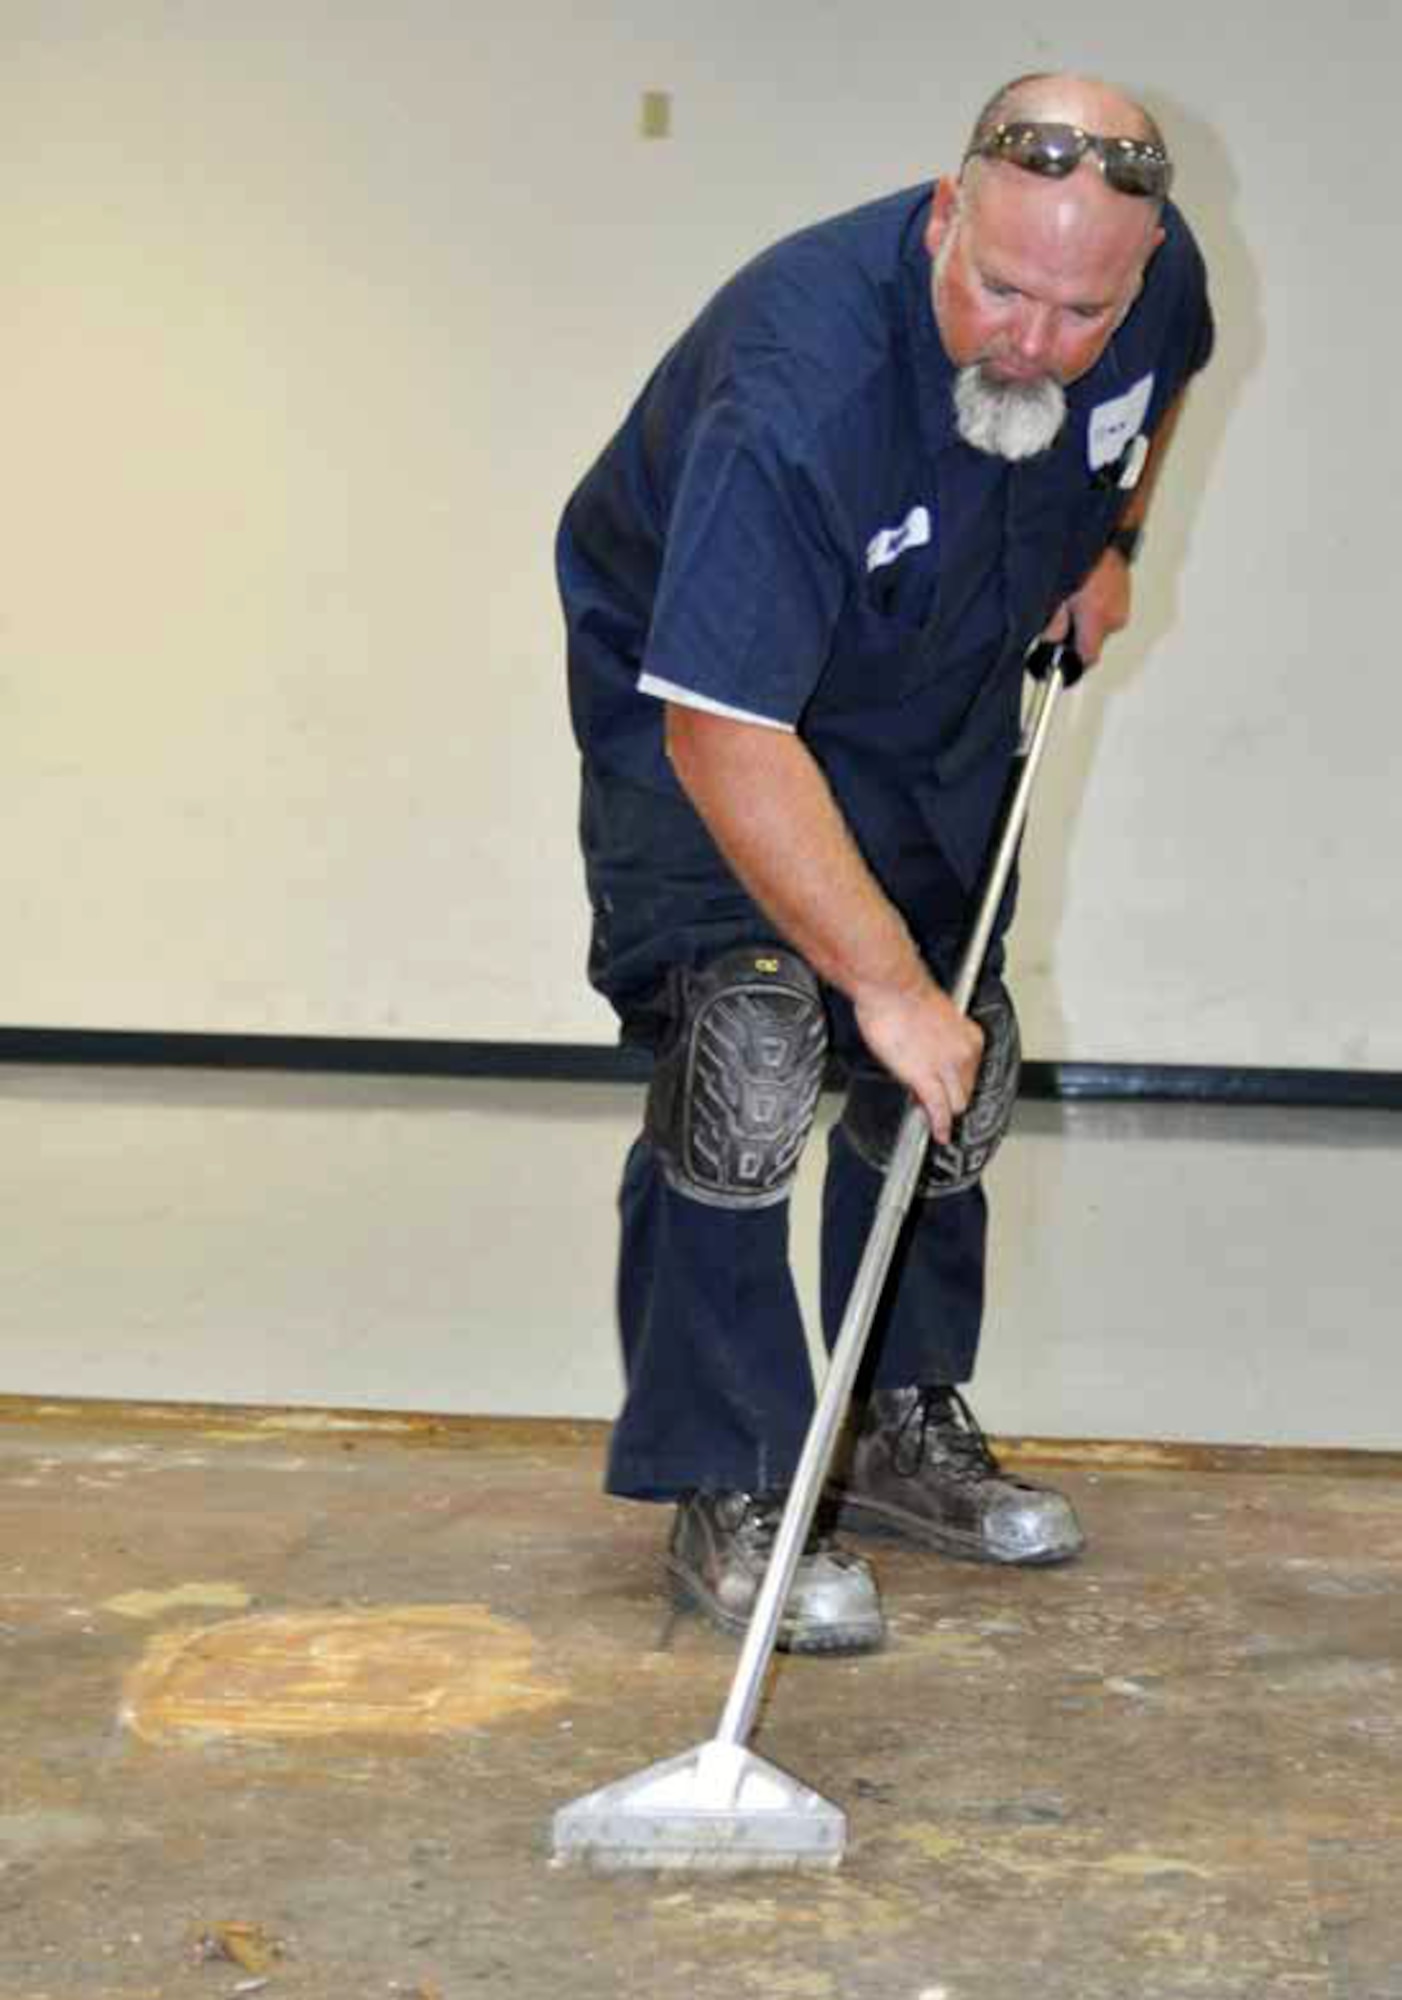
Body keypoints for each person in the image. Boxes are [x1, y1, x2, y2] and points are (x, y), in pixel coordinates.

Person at [557, 72, 1213, 1655]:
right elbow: (725, 733)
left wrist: (1108, 544)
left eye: (1078, 309)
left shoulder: (1147, 280)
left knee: (950, 1067)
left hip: (932, 685)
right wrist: (881, 982)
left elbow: (1156, 379)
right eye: (999, 290)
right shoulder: (801, 385)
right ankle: (734, 1476)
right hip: (710, 709)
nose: (1034, 343)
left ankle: (895, 1425)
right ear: (942, 216)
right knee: (758, 1043)